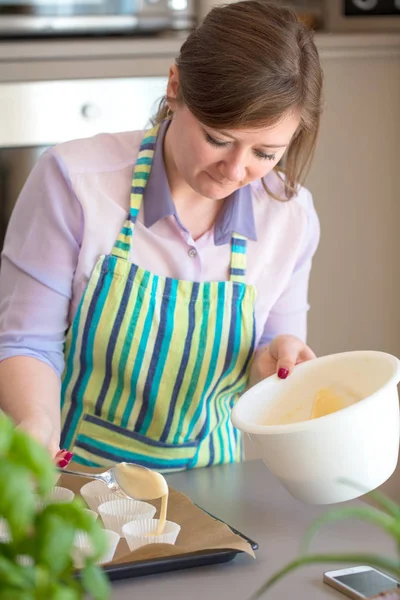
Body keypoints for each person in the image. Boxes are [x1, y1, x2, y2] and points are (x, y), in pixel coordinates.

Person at [0, 0, 323, 471]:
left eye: (266, 153)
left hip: (214, 486)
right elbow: (28, 343)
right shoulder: (73, 181)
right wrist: (34, 425)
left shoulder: (290, 218)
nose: (235, 171)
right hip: (73, 480)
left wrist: (276, 360)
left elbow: (269, 354)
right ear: (175, 88)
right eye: (217, 138)